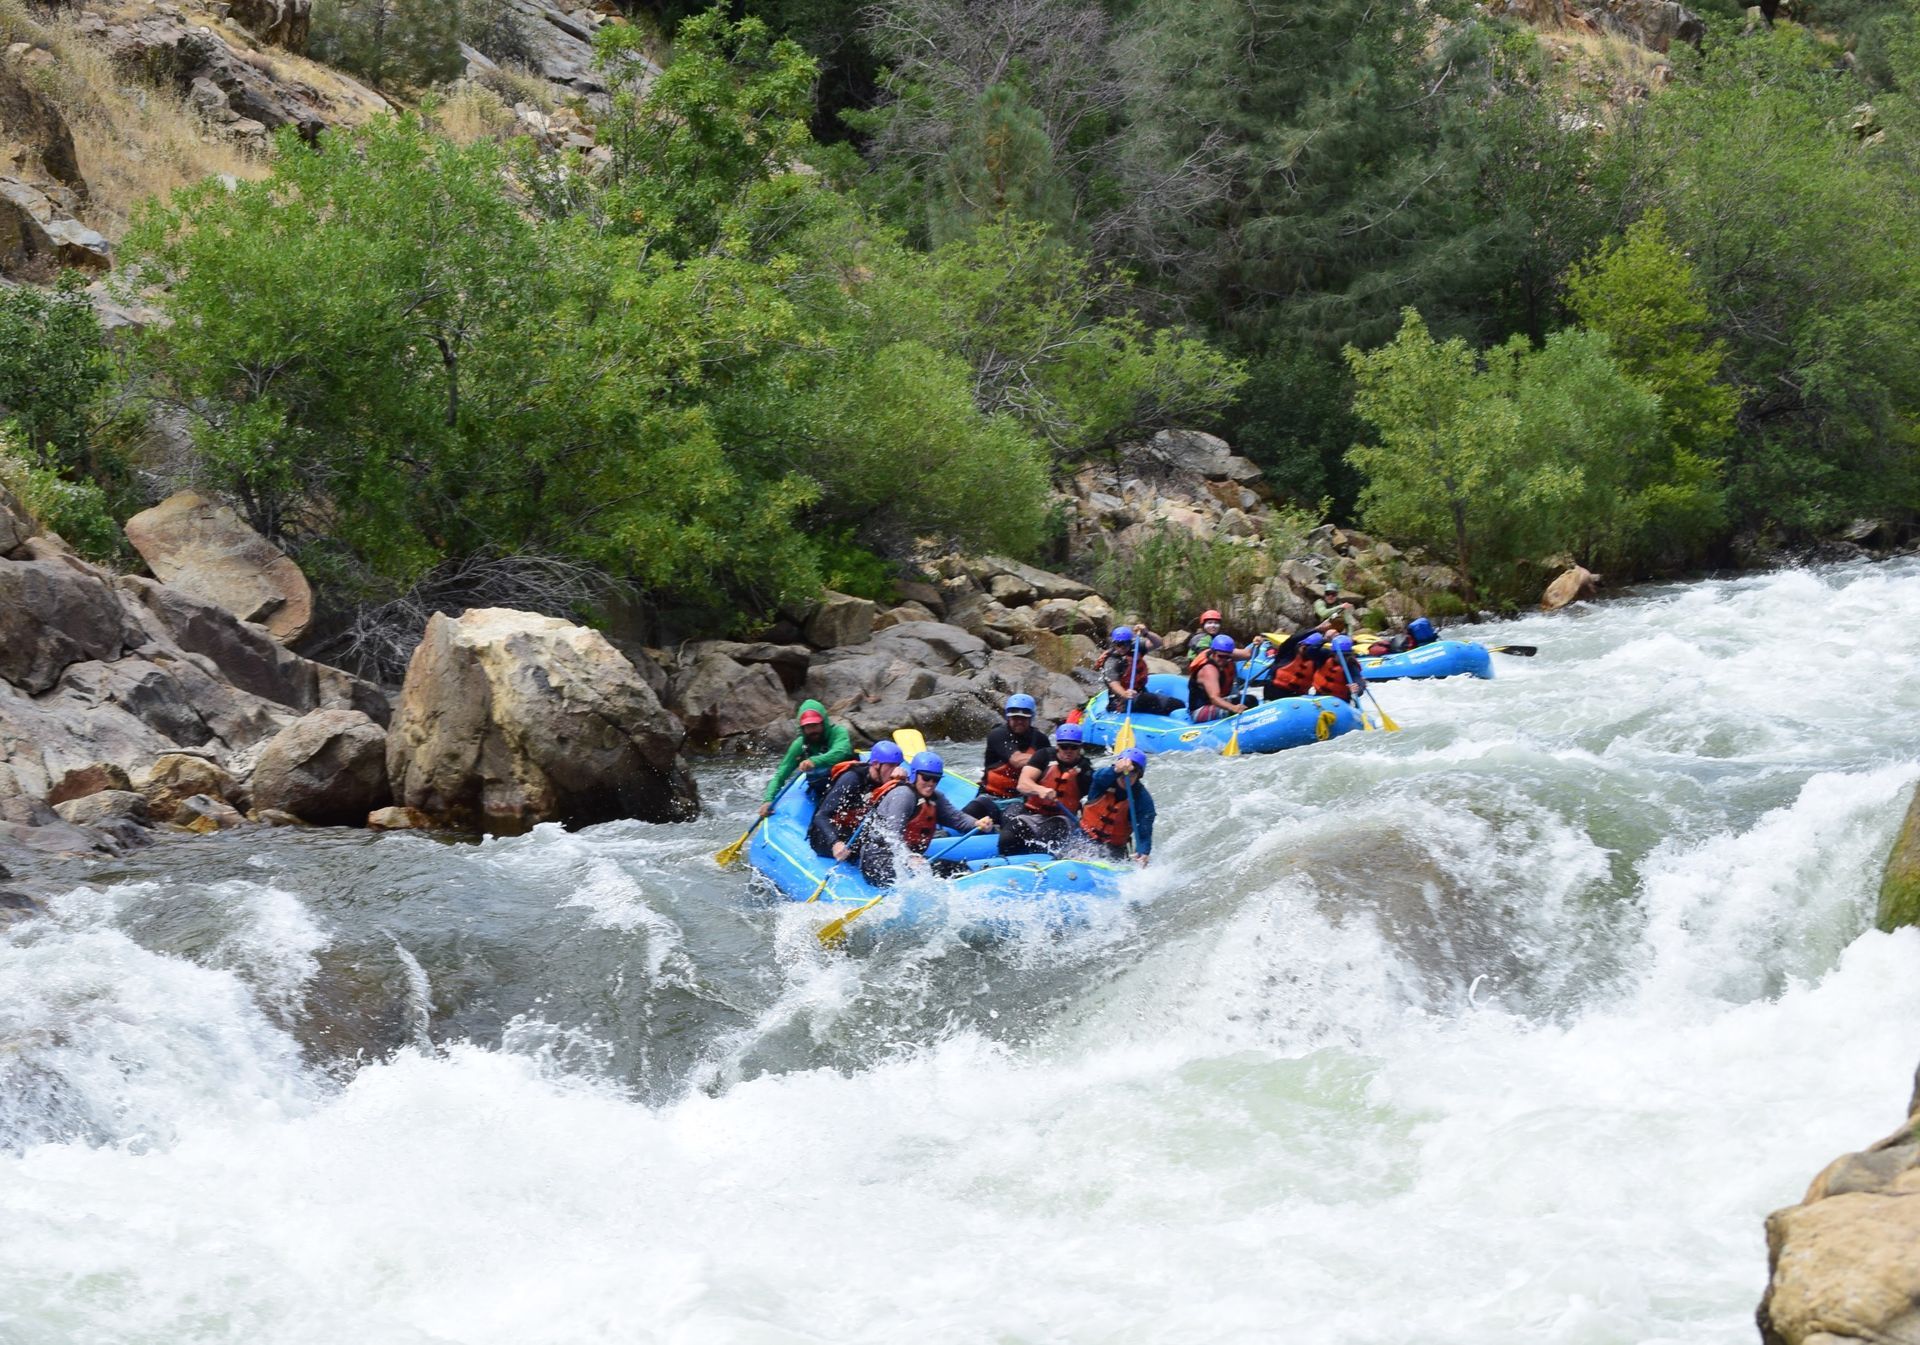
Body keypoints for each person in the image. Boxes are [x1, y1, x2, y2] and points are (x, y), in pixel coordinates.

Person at [852, 751, 995, 887]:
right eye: (926, 777)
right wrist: (908, 858)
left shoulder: (936, 797)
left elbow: (957, 819)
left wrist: (977, 823)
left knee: (958, 870)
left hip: (907, 860)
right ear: (914, 775)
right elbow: (892, 835)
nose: (931, 783)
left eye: (936, 779)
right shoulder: (903, 795)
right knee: (927, 875)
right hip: (877, 861)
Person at [998, 722, 1095, 858]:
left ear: (1080, 748)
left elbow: (1096, 799)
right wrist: (1039, 789)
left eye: (1073, 747)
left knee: (1044, 841)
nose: (1068, 750)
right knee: (1006, 840)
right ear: (1057, 746)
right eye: (1064, 746)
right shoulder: (1043, 756)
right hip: (1033, 814)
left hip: (1063, 818)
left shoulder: (1085, 770)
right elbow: (1022, 784)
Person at [807, 740, 905, 857]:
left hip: (853, 830)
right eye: (891, 766)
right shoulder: (852, 779)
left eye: (897, 766)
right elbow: (821, 816)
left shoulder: (888, 781)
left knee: (880, 842)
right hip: (825, 836)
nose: (895, 771)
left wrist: (903, 783)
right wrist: (835, 843)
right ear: (875, 764)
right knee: (871, 846)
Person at [759, 699, 854, 816]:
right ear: (802, 729)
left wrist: (814, 761)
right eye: (808, 727)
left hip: (850, 784)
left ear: (823, 723)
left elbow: (841, 751)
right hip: (824, 789)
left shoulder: (838, 733)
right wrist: (768, 799)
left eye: (815, 725)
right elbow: (781, 774)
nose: (812, 730)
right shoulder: (800, 745)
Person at [963, 693, 1049, 821]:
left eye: (1024, 718)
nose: (1019, 721)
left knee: (1011, 820)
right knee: (967, 815)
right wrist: (1044, 759)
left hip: (1019, 800)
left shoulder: (1041, 740)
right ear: (1008, 718)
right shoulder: (997, 734)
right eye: (1015, 718)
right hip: (989, 797)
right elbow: (1017, 761)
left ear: (1031, 718)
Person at [1077, 748, 1153, 866]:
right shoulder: (1102, 782)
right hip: (1084, 837)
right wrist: (1116, 770)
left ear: (1139, 775)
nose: (1126, 776)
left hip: (1114, 848)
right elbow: (1097, 776)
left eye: (1133, 773)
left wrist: (1142, 854)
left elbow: (1144, 835)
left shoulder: (1142, 800)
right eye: (1122, 772)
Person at [1102, 625, 1184, 717]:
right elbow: (1113, 683)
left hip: (1140, 694)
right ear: (1114, 644)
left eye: (1125, 643)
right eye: (1119, 644)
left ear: (1130, 642)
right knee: (1175, 704)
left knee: (1177, 704)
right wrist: (1125, 694)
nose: (1122, 647)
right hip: (1121, 703)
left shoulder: (1136, 648)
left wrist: (1146, 633)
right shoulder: (1112, 661)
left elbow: (1158, 643)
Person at [1187, 633, 1255, 722]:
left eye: (1227, 657)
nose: (1224, 660)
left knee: (1250, 700)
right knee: (1243, 704)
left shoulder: (1224, 653)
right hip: (1200, 711)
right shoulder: (1208, 669)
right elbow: (1214, 698)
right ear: (1213, 652)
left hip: (1215, 702)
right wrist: (1233, 708)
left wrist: (1256, 644)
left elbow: (1249, 654)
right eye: (1221, 656)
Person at [1262, 627, 1331, 701]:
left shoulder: (1318, 659)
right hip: (1274, 691)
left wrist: (1326, 639)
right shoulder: (1287, 652)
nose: (1305, 650)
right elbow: (1293, 639)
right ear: (1300, 644)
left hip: (1297, 696)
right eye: (1304, 647)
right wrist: (1317, 629)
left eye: (1309, 648)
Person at [1311, 633, 1366, 703]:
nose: (1344, 658)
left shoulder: (1351, 664)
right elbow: (1311, 651)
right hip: (1320, 697)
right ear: (1333, 654)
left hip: (1340, 701)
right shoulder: (1325, 657)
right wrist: (1324, 640)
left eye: (1347, 655)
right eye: (1341, 655)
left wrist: (1357, 689)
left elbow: (1357, 679)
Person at [1185, 610, 1255, 663]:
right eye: (1209, 623)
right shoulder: (1200, 638)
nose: (1213, 626)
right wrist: (1243, 654)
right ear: (1203, 625)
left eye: (1216, 623)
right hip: (1200, 670)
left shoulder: (1219, 637)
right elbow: (1206, 653)